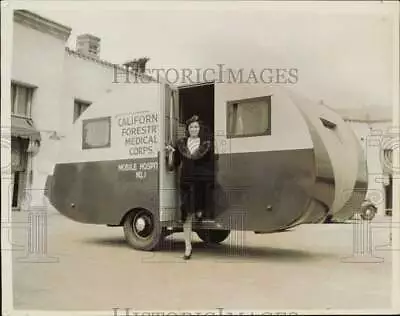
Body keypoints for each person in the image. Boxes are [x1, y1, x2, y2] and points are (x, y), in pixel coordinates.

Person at [165, 115, 214, 260]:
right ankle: (188, 247)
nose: (194, 129)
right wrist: (170, 154)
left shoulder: (206, 144)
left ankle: (199, 213)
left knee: (199, 212)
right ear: (188, 129)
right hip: (186, 183)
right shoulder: (181, 144)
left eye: (196, 127)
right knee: (187, 215)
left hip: (201, 183)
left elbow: (210, 164)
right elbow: (173, 165)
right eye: (192, 127)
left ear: (199, 129)